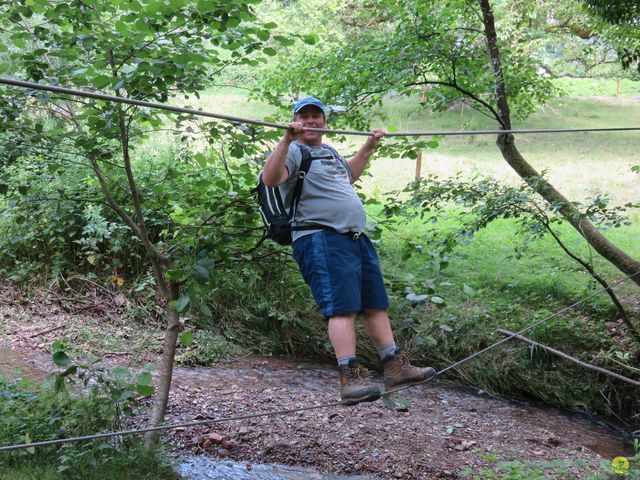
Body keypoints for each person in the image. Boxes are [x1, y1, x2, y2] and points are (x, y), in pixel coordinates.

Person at [262, 96, 435, 404]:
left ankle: (394, 365)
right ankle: (349, 377)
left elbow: (349, 175)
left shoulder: (328, 151)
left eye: (317, 116)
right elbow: (271, 178)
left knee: (374, 303)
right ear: (296, 121)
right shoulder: (292, 152)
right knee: (341, 307)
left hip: (354, 237)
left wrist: (368, 146)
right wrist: (285, 139)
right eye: (305, 116)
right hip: (320, 238)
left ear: (325, 123)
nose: (312, 121)